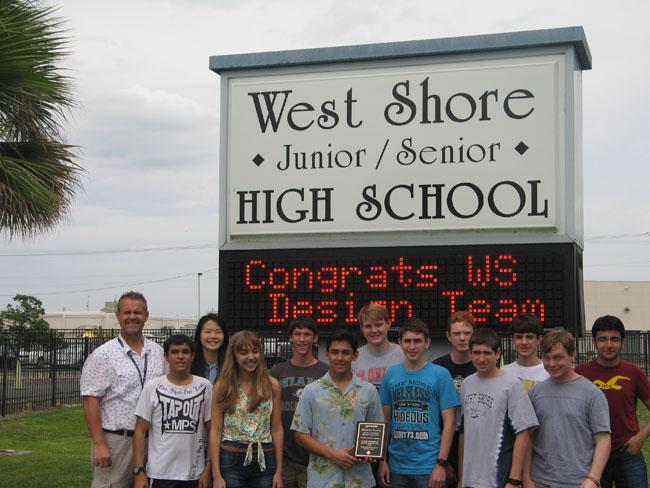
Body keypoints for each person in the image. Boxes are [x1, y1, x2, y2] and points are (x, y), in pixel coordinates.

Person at [81, 291, 166, 488]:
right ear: (118, 315)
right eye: (127, 312)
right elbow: (90, 399)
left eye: (137, 312)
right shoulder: (103, 355)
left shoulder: (158, 353)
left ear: (146, 315)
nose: (132, 317)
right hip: (117, 441)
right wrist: (99, 443)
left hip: (152, 441)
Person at [292, 329, 383, 488]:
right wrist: (333, 455)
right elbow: (300, 435)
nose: (340, 358)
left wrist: (371, 452)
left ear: (355, 355)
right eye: (334, 352)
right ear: (327, 354)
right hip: (323, 481)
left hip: (360, 481)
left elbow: (376, 432)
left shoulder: (368, 391)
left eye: (345, 353)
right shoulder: (311, 391)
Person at [378, 318, 459, 488]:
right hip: (396, 467)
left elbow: (450, 422)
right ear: (399, 343)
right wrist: (382, 460)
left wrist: (441, 464)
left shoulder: (441, 375)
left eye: (417, 341)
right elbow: (385, 421)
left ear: (427, 343)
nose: (412, 346)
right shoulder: (390, 374)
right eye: (407, 341)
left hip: (429, 467)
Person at [528, 328, 611, 488]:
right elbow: (529, 439)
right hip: (540, 481)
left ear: (572, 355)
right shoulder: (535, 394)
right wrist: (527, 477)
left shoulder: (592, 394)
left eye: (558, 358)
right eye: (547, 358)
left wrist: (593, 478)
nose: (552, 364)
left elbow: (603, 439)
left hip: (579, 482)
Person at [575, 315, 650, 488]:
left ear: (622, 342)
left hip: (628, 453)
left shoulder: (634, 372)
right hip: (593, 454)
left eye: (614, 339)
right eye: (603, 339)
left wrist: (640, 438)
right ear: (594, 342)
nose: (608, 345)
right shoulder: (580, 373)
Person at [458, 328, 538, 488]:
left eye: (487, 353)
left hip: (498, 478)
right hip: (470, 480)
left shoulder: (512, 385)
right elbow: (463, 433)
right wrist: (461, 478)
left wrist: (514, 479)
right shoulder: (466, 384)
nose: (481, 358)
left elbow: (523, 433)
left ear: (497, 353)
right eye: (476, 353)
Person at [132, 334, 212, 488]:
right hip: (160, 472)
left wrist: (208, 467)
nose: (180, 356)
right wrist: (139, 470)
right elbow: (140, 431)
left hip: (194, 472)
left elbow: (212, 430)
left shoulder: (205, 386)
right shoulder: (153, 387)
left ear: (192, 356)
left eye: (185, 352)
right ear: (166, 357)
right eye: (175, 352)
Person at [209, 330, 283, 488]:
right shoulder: (223, 386)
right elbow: (215, 430)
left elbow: (276, 428)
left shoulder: (272, 385)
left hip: (265, 458)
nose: (251, 357)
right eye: (243, 353)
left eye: (255, 351)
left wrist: (279, 471)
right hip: (231, 457)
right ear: (234, 356)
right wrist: (216, 475)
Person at [270, 317, 329, 488]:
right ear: (290, 337)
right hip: (284, 457)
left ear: (315, 338)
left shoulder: (325, 372)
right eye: (297, 334)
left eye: (307, 334)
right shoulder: (277, 372)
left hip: (314, 457)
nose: (302, 339)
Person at [432, 310, 477, 484]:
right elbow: (433, 416)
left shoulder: (482, 366)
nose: (462, 338)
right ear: (449, 336)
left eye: (467, 333)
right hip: (445, 441)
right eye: (457, 334)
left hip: (474, 439)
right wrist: (443, 460)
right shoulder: (438, 368)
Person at [353, 303, 405, 388]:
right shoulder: (353, 359)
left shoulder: (404, 355)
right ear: (361, 328)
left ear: (388, 323)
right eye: (368, 326)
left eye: (378, 325)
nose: (374, 330)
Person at [502, 315, 549, 391]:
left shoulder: (550, 371)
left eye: (529, 337)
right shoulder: (504, 372)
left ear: (539, 340)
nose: (524, 342)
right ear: (513, 340)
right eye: (519, 337)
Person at [191, 313, 229, 384]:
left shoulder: (231, 365)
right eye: (208, 332)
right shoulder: (189, 364)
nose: (213, 336)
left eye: (218, 332)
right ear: (199, 335)